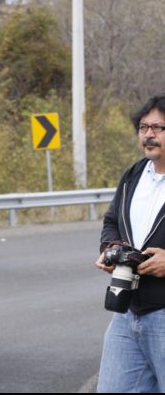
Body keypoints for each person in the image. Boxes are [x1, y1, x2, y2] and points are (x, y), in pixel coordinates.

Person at [95, 94, 165, 392]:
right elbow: (112, 220)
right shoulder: (133, 175)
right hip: (128, 314)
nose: (149, 134)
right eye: (143, 127)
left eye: (158, 127)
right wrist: (110, 249)